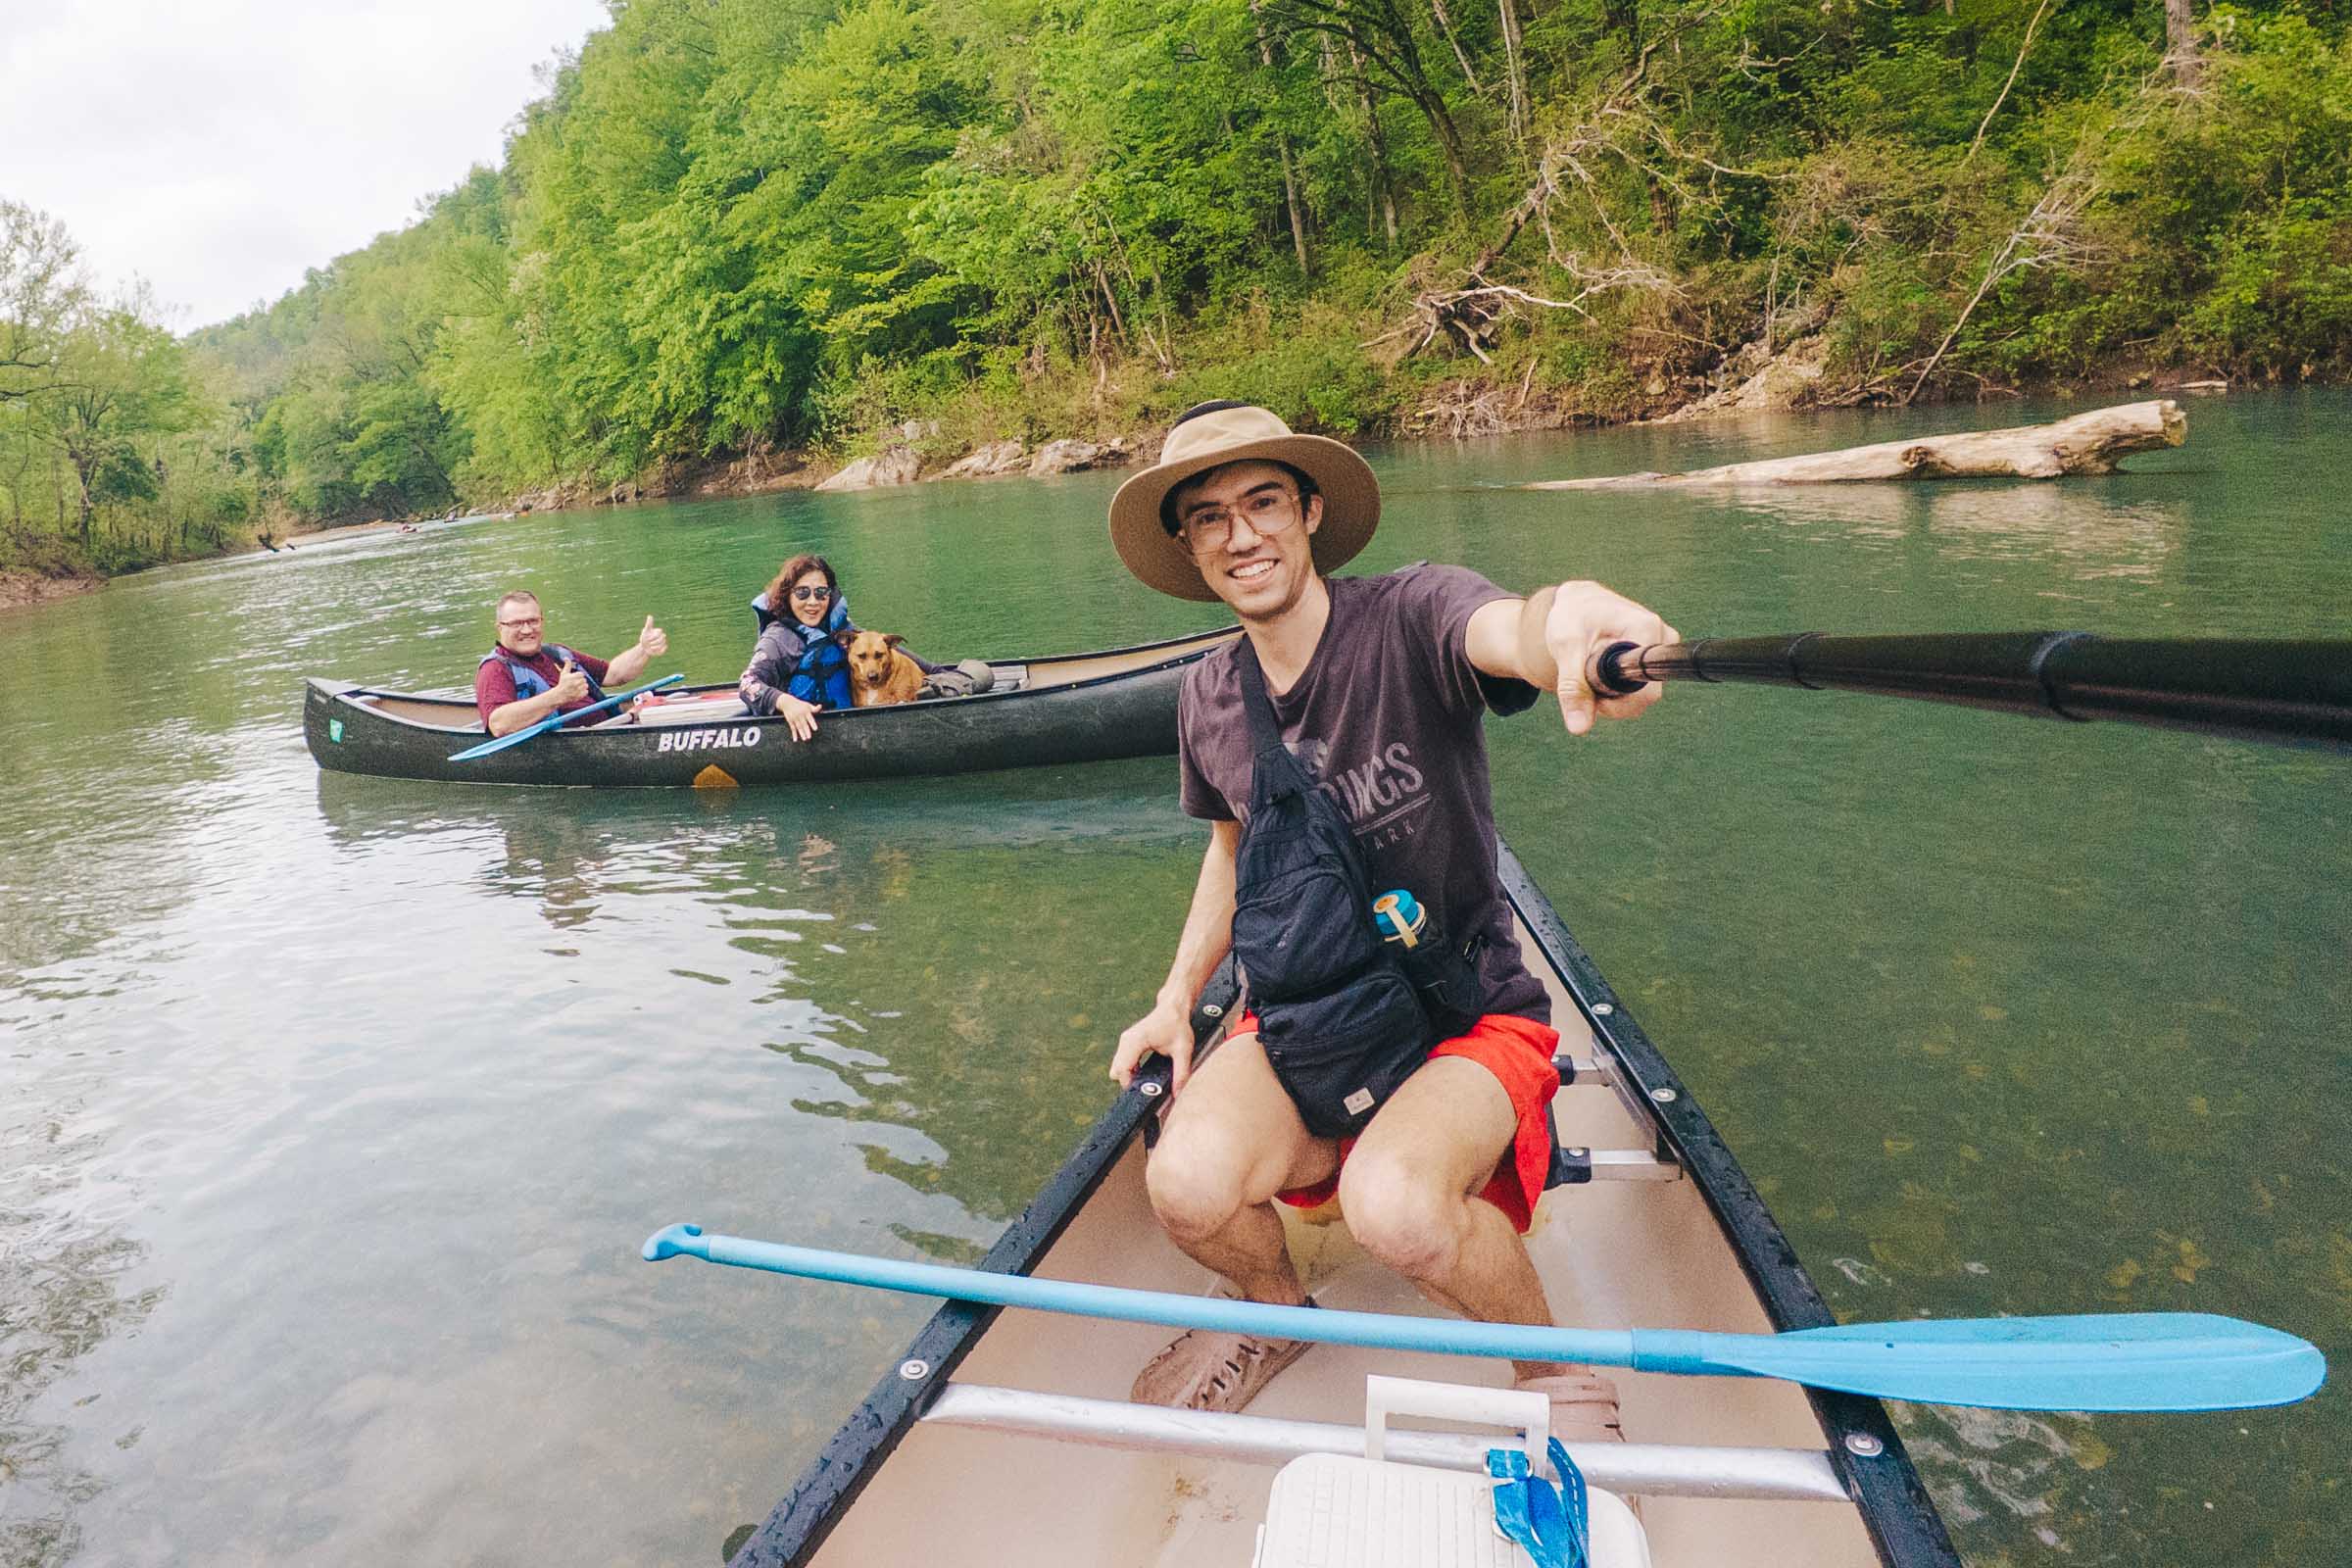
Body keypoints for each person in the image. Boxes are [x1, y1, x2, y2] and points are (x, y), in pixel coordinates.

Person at [1103, 402, 1675, 1437]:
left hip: (1463, 1011)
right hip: (1310, 1014)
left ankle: (1551, 1376)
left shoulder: (1411, 615)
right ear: (1189, 547)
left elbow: (1512, 630)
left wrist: (1568, 624)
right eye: (1211, 517)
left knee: (1396, 1205)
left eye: (1264, 501)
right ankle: (1279, 1313)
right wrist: (1174, 998)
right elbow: (1233, 849)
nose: (1243, 535)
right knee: (1181, 1181)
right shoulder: (1207, 699)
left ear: (1311, 508)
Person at [474, 590, 669, 736]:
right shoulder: (495, 668)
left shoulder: (557, 653)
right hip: (577, 744)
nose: (527, 630)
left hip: (612, 729)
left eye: (533, 621)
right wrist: (558, 696)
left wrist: (643, 649)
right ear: (500, 627)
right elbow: (498, 724)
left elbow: (615, 674)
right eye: (517, 623)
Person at [739, 554, 855, 742]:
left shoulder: (841, 628)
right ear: (787, 594)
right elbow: (747, 684)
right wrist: (786, 703)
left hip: (849, 724)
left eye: (821, 593)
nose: (813, 602)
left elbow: (894, 653)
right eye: (802, 593)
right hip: (804, 737)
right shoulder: (777, 638)